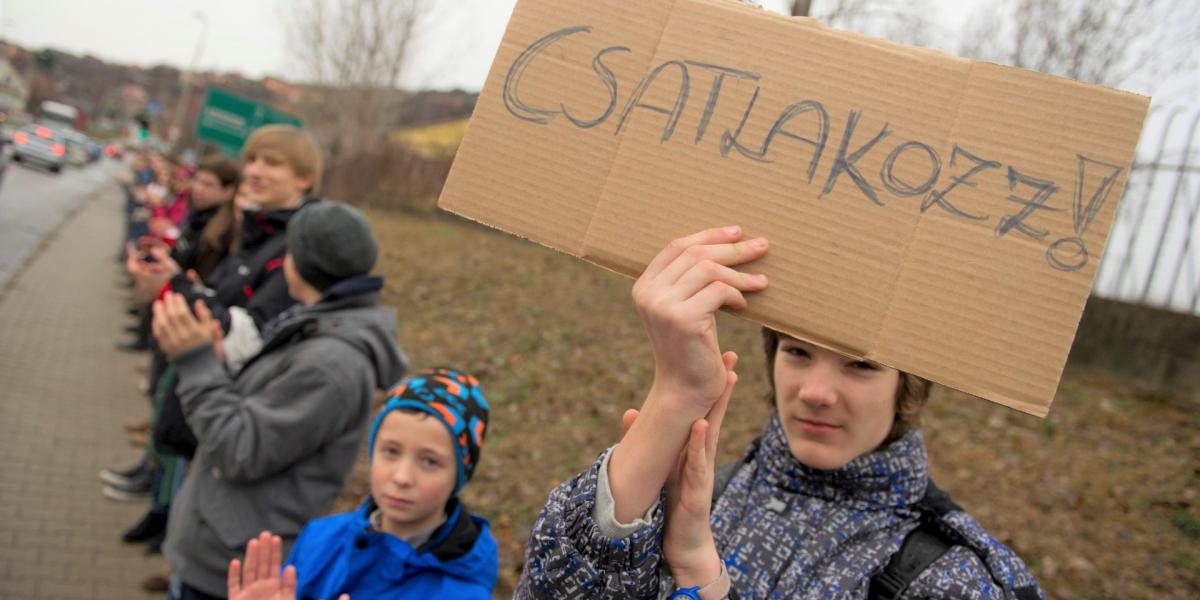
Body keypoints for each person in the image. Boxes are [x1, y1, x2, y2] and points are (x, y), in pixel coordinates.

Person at [516, 227, 1044, 599]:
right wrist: (676, 396)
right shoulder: (696, 496)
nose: (815, 391)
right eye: (797, 352)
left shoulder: (949, 577)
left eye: (860, 367)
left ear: (910, 390)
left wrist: (700, 571)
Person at [153, 200, 409, 600]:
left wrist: (197, 363)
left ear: (299, 263)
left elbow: (240, 449)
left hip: (236, 570)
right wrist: (221, 366)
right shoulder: (317, 327)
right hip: (228, 553)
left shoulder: (330, 364)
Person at [224, 368, 499, 600]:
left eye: (429, 462)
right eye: (391, 451)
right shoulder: (320, 538)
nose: (402, 477)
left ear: (459, 475)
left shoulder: (463, 594)